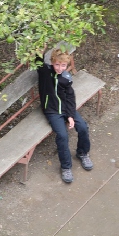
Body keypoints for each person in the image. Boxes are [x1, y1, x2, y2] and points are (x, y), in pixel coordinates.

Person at [37, 48, 92, 185]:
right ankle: (66, 167)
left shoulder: (66, 78)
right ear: (52, 62)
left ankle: (82, 153)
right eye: (57, 64)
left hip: (66, 109)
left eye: (63, 65)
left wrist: (70, 116)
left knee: (83, 127)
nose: (60, 68)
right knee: (62, 136)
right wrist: (40, 49)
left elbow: (70, 98)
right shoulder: (45, 72)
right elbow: (38, 61)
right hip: (52, 111)